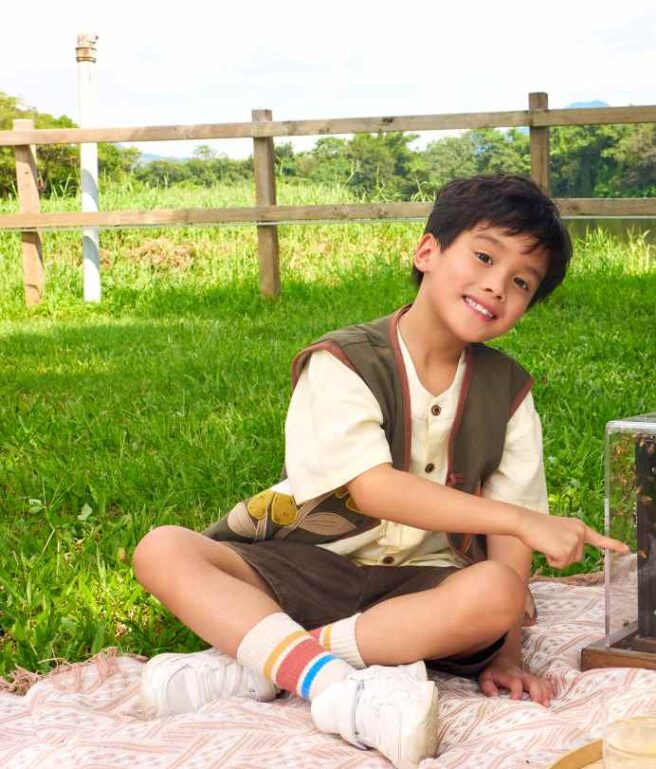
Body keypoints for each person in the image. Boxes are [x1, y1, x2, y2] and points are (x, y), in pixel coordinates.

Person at [131, 174, 629, 769]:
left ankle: (266, 662)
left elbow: (509, 544)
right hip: (308, 568)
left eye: (522, 281)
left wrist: (507, 653)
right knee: (163, 549)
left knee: (502, 591)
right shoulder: (344, 361)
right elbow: (373, 489)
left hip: (418, 594)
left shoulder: (509, 393)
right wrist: (521, 520)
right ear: (427, 252)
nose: (497, 285)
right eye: (483, 256)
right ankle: (333, 684)